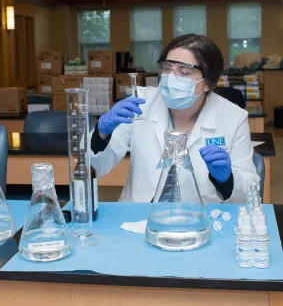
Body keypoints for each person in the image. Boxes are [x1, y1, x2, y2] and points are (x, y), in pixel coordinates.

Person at [90, 34, 259, 203]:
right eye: (167, 68)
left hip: (202, 220)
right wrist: (100, 134)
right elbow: (97, 167)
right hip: (139, 218)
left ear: (207, 82)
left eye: (184, 72)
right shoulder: (140, 103)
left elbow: (250, 191)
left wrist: (226, 180)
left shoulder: (233, 117)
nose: (171, 78)